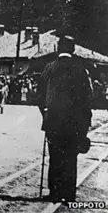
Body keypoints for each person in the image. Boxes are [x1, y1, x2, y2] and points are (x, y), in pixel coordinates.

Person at [37, 36, 93, 203]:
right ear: (73, 49)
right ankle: (68, 194)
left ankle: (54, 192)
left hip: (53, 122)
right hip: (74, 124)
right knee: (70, 158)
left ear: (57, 48)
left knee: (55, 157)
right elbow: (87, 98)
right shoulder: (81, 70)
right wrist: (85, 122)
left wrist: (46, 114)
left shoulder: (48, 69)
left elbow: (40, 97)